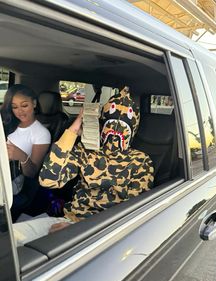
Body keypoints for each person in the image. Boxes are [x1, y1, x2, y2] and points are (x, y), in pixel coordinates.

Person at [12, 87, 154, 246]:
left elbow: (132, 213)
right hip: (68, 221)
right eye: (110, 122)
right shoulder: (85, 150)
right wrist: (72, 131)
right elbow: (47, 180)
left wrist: (78, 230)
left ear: (132, 128)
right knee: (10, 238)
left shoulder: (140, 161)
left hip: (104, 233)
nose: (114, 130)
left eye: (123, 124)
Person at [1, 84, 51, 222]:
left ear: (34, 103)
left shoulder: (41, 133)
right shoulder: (8, 123)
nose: (19, 111)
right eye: (14, 107)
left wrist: (21, 156)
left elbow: (32, 173)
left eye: (24, 105)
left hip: (14, 185)